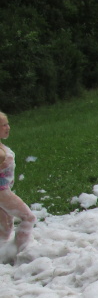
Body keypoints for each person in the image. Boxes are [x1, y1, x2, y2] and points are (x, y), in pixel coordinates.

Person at [0, 111, 36, 263]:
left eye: (7, 124)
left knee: (5, 229)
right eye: (3, 125)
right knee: (28, 217)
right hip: (2, 193)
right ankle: (21, 253)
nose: (8, 127)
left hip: (4, 191)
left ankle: (3, 257)